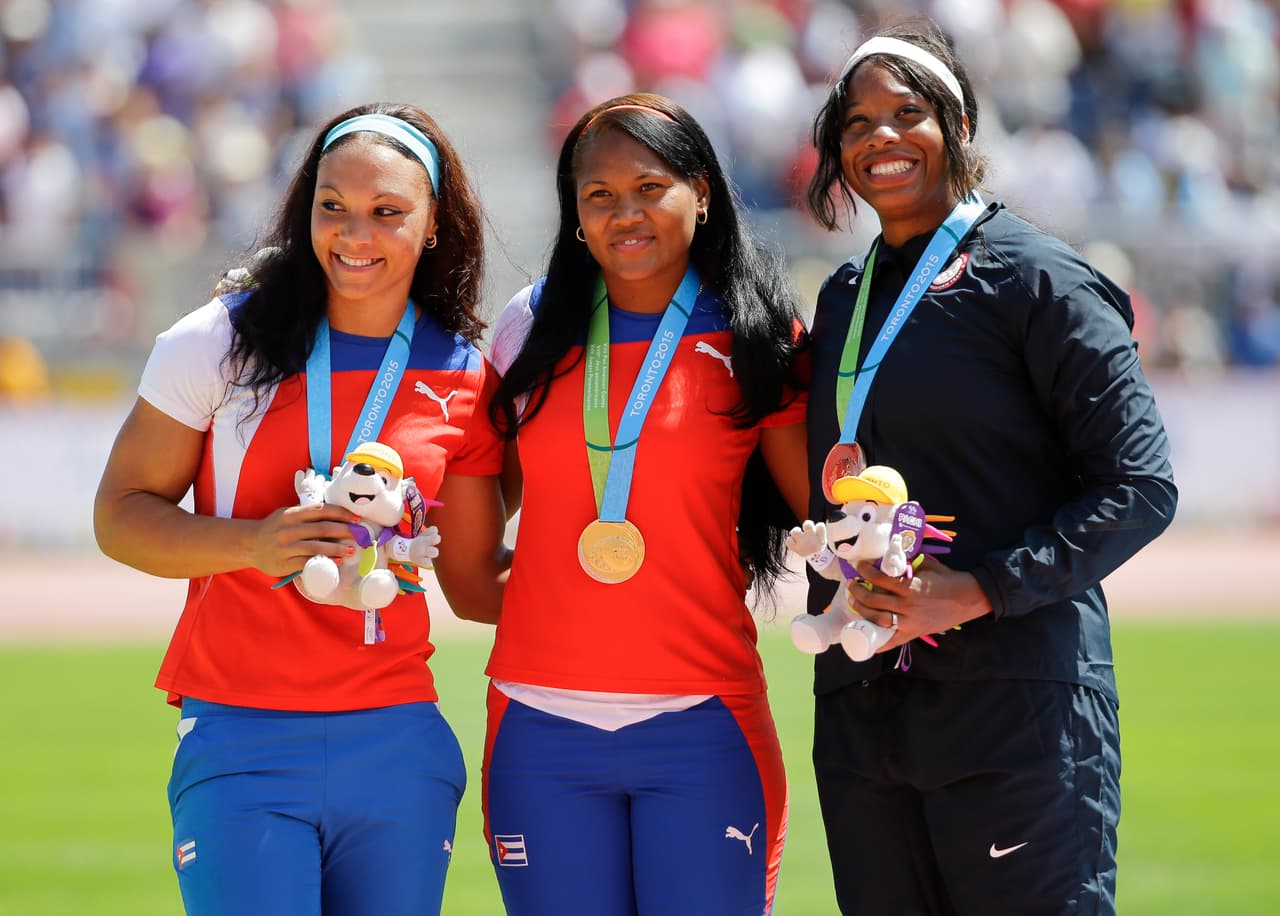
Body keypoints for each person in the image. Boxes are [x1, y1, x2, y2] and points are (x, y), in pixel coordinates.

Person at [93, 101, 510, 916]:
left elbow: (471, 579)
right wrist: (252, 543)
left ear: (433, 224)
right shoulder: (216, 341)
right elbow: (120, 516)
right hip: (243, 737)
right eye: (333, 207)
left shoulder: (466, 371)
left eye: (387, 212)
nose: (354, 234)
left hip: (397, 741)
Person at [800, 20, 1177, 916]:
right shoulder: (844, 298)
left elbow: (1141, 485)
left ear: (959, 128)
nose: (881, 137)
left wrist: (977, 589)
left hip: (1019, 709)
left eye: (908, 113)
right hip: (864, 710)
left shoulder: (1038, 279)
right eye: (856, 123)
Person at [482, 92, 809, 916]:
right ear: (576, 214)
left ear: (702, 191)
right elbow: (475, 526)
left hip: (704, 723)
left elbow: (823, 510)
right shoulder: (527, 329)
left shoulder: (759, 332)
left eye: (649, 186)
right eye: (599, 195)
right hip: (537, 725)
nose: (624, 213)